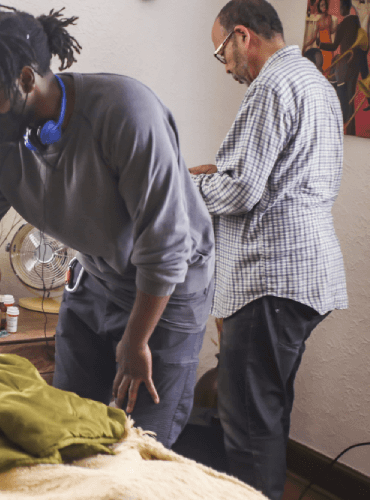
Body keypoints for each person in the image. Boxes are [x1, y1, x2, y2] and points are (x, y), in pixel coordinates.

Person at [0, 4, 215, 449]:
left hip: (167, 289)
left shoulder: (126, 113)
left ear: (26, 79)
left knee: (143, 440)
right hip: (96, 277)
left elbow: (165, 248)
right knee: (66, 424)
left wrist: (136, 340)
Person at [190, 1, 348, 498]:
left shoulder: (270, 85)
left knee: (248, 425)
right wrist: (219, 174)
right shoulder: (316, 83)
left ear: (243, 36)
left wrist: (185, 185)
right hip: (308, 274)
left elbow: (242, 191)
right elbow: (283, 176)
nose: (226, 67)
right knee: (268, 412)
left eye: (222, 53)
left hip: (271, 279)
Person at [319, 0, 369, 135]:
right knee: (350, 100)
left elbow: (334, 46)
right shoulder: (355, 20)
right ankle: (351, 131)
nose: (340, 9)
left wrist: (320, 44)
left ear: (343, 8)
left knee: (345, 100)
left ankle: (346, 130)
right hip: (355, 64)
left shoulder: (342, 25)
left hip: (346, 65)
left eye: (340, 7)